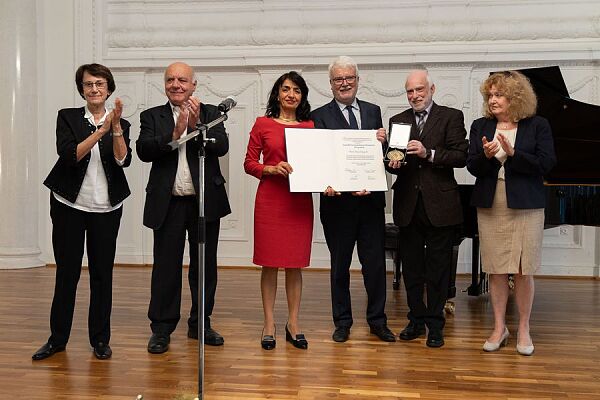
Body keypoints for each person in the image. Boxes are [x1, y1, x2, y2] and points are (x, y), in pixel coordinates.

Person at [33, 63, 132, 361]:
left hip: (107, 207)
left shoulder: (121, 123)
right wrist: (101, 130)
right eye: (88, 84)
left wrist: (114, 130)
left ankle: (100, 340)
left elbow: (122, 161)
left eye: (100, 84)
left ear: (108, 88)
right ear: (81, 89)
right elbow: (70, 155)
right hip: (69, 206)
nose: (94, 89)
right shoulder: (68, 117)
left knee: (102, 275)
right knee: (67, 273)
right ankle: (57, 339)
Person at [136, 62, 231, 354]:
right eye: (170, 80)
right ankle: (162, 329)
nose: (176, 85)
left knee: (204, 267)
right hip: (168, 203)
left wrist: (195, 125)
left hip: (204, 203)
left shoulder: (212, 113)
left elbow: (221, 146)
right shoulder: (152, 116)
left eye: (182, 80)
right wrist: (175, 133)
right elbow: (144, 151)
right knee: (165, 267)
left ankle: (200, 324)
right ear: (165, 85)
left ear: (193, 85)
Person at [467, 70, 556, 356]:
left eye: (498, 95)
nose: (492, 100)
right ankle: (499, 327)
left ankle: (525, 328)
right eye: (489, 95)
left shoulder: (537, 125)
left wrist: (515, 154)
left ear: (514, 97)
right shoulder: (481, 125)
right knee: (495, 268)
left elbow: (547, 163)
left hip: (526, 205)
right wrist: (487, 157)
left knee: (522, 269)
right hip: (492, 203)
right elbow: (473, 167)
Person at [311, 56, 395, 343]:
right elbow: (321, 159)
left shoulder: (374, 111)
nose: (344, 83)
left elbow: (377, 158)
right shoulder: (319, 114)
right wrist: (328, 184)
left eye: (349, 78)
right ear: (331, 84)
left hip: (371, 203)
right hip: (337, 205)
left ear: (358, 81)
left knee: (374, 265)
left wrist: (383, 149)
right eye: (338, 79)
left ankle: (377, 321)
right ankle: (342, 322)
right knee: (340, 266)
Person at [387, 69, 468, 348]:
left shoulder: (451, 116)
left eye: (419, 90)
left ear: (431, 89)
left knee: (437, 270)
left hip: (440, 206)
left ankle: (435, 324)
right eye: (410, 91)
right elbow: (392, 161)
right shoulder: (398, 120)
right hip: (408, 205)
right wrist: (392, 163)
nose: (414, 96)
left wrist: (428, 153)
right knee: (411, 269)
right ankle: (416, 321)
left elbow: (460, 156)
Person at [244, 71, 314, 350]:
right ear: (276, 93)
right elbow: (249, 163)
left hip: (299, 201)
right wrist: (270, 169)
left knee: (295, 264)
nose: (291, 95)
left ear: (302, 96)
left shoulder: (310, 126)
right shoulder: (262, 124)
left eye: (297, 90)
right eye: (285, 89)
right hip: (271, 199)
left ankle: (293, 323)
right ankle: (270, 323)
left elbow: (317, 163)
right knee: (270, 263)